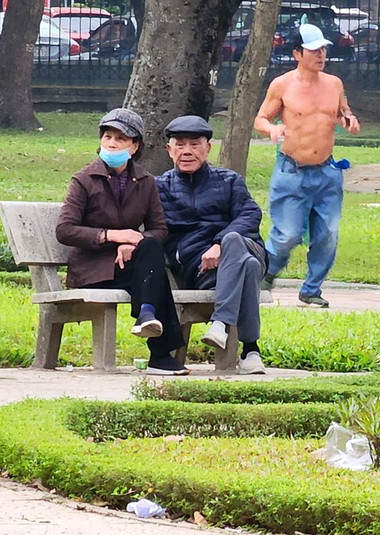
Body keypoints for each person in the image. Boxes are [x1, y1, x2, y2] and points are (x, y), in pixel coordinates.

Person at [56, 108, 189, 375]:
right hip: (93, 268)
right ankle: (159, 351)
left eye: (121, 138)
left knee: (151, 249)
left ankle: (148, 316)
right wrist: (113, 236)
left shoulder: (146, 181)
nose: (112, 143)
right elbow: (65, 230)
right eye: (107, 136)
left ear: (135, 146)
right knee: (155, 279)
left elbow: (159, 229)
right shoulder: (84, 179)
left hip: (128, 265)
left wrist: (134, 242)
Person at [254, 22, 360, 308]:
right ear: (297, 54)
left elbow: (342, 112)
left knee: (328, 234)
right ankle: (267, 274)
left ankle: (311, 289)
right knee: (288, 234)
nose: (320, 55)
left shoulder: (334, 84)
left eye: (323, 49)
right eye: (313, 50)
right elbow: (261, 119)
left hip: (327, 171)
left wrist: (349, 121)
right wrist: (271, 129)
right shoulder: (282, 85)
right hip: (292, 171)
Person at [156, 115, 269, 375]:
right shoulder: (159, 187)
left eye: (194, 144)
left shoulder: (229, 180)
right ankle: (251, 350)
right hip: (202, 271)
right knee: (248, 267)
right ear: (169, 150)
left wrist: (219, 243)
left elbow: (250, 215)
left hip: (244, 247)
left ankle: (220, 322)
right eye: (180, 144)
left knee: (233, 241)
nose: (187, 151)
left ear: (207, 148)